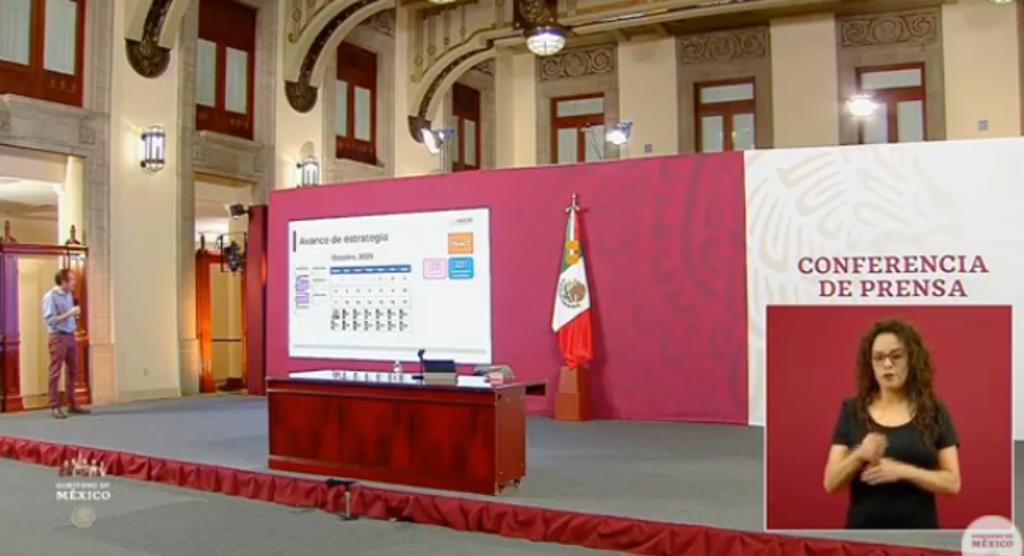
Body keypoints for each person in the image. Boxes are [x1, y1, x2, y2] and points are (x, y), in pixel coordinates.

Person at [822, 318, 960, 529]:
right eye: (878, 358)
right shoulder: (852, 410)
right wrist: (859, 455)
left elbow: (953, 483)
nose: (887, 364)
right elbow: (830, 483)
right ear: (870, 364)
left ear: (911, 359)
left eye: (896, 356)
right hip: (863, 535)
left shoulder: (934, 410)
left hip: (918, 536)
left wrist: (901, 471)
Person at [41, 269, 90, 419]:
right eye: (72, 280)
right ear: (63, 282)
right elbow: (51, 320)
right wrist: (70, 313)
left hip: (70, 335)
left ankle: (71, 403)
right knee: (55, 372)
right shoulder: (50, 296)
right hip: (58, 337)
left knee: (73, 370)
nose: (74, 282)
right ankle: (54, 406)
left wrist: (73, 316)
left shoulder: (69, 294)